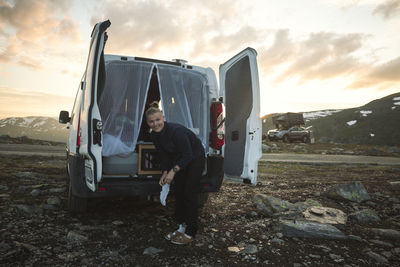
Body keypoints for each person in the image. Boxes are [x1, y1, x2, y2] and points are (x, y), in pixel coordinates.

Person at [145, 102, 205, 245]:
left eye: (158, 120)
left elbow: (188, 155)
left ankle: (190, 232)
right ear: (148, 123)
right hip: (180, 159)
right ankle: (181, 227)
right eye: (151, 121)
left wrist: (173, 171)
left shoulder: (176, 131)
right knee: (178, 192)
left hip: (195, 158)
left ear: (164, 118)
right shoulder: (154, 135)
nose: (155, 124)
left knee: (189, 193)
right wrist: (165, 172)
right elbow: (164, 155)